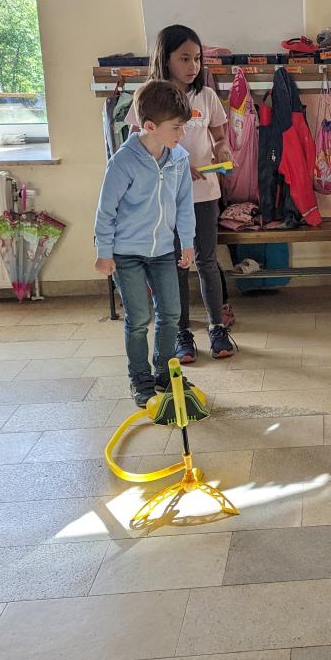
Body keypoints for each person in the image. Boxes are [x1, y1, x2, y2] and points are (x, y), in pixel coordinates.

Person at [135, 25, 237, 360]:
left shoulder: (206, 96)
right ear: (165, 59)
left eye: (196, 58)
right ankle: (182, 334)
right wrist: (176, 163)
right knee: (177, 264)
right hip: (166, 197)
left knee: (207, 260)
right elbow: (139, 147)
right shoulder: (149, 97)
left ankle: (217, 328)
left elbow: (220, 137)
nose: (193, 65)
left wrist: (221, 151)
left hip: (205, 193)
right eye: (184, 58)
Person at [95, 79, 197, 406]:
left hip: (164, 251)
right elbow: (105, 210)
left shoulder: (178, 159)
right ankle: (140, 379)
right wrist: (104, 253)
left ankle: (165, 374)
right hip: (127, 255)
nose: (181, 134)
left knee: (171, 312)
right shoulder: (123, 162)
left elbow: (183, 204)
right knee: (138, 318)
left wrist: (187, 243)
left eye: (184, 127)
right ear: (149, 126)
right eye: (176, 128)